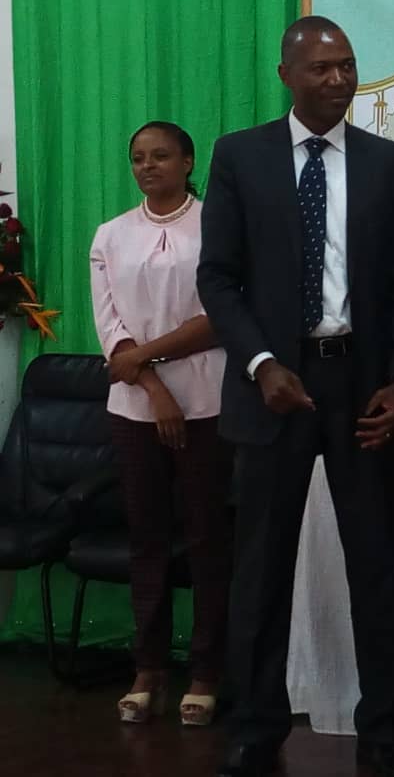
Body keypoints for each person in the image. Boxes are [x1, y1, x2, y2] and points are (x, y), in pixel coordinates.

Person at [196, 15, 394, 777]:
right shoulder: (240, 157)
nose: (338, 80)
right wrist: (261, 361)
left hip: (362, 384)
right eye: (322, 68)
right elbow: (218, 278)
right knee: (260, 565)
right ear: (287, 74)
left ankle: (382, 730)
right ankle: (257, 724)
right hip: (272, 386)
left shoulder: (390, 164)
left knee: (374, 566)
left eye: (348, 67)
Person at [89, 120, 232, 728]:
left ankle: (206, 672)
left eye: (161, 156)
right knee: (146, 539)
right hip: (135, 411)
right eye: (139, 158)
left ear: (188, 161)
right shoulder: (110, 235)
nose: (148, 166)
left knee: (209, 540)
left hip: (210, 404)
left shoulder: (219, 227)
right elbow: (112, 329)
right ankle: (148, 668)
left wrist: (148, 361)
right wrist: (151, 387)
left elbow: (219, 316)